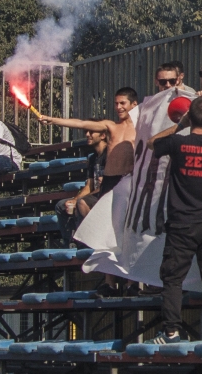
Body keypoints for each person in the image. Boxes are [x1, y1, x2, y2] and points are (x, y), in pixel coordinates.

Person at [39, 87, 139, 297]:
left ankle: (131, 283)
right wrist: (54, 120)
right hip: (110, 184)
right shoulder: (111, 126)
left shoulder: (140, 128)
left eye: (123, 103)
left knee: (127, 235)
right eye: (116, 103)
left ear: (133, 105)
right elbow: (83, 123)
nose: (119, 107)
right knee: (105, 234)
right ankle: (110, 283)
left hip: (129, 182)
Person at [148, 96, 202, 344]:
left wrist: (180, 125)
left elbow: (152, 144)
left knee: (173, 279)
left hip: (182, 223)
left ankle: (172, 331)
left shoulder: (176, 142)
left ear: (189, 117)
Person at [55, 126, 107, 247]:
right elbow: (89, 185)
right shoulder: (93, 158)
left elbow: (109, 184)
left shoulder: (110, 154)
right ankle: (70, 243)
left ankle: (86, 242)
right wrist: (73, 200)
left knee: (82, 203)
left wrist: (79, 200)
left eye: (91, 131)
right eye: (86, 132)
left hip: (106, 195)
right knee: (62, 205)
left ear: (103, 135)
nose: (88, 134)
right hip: (94, 195)